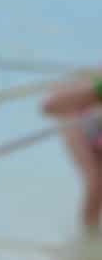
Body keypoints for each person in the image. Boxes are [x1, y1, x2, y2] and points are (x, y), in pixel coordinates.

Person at [41, 70, 102, 232]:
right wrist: (97, 90)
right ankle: (88, 238)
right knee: (96, 183)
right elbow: (49, 107)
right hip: (79, 117)